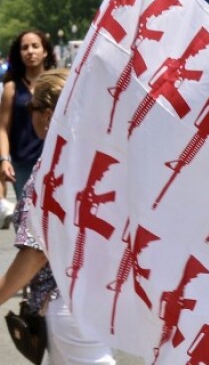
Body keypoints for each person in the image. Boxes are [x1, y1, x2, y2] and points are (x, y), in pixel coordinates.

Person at [0, 68, 116, 364]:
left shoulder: (52, 173)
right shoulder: (97, 161)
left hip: (65, 299)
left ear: (51, 114)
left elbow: (37, 252)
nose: (30, 114)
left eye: (33, 106)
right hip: (98, 295)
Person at [0, 30, 57, 203]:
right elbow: (3, 128)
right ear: (19, 54)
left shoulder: (56, 84)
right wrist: (4, 160)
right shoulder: (12, 87)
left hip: (53, 160)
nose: (30, 51)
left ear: (45, 51)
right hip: (22, 164)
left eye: (35, 46)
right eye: (25, 48)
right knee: (26, 217)